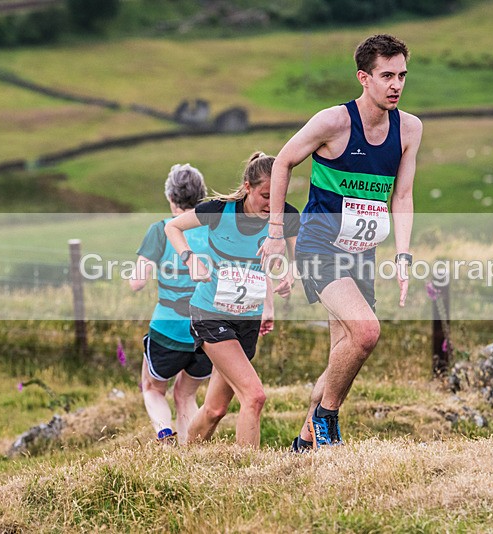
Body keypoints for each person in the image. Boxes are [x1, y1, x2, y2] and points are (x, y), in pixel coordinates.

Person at [259, 34, 423, 451]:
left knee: (343, 353)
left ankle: (303, 442)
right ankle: (327, 420)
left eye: (402, 75)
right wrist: (276, 233)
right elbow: (283, 162)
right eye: (387, 76)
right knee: (366, 333)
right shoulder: (333, 122)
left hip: (361, 251)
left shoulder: (409, 128)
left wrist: (403, 255)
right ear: (364, 78)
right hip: (319, 245)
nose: (396, 85)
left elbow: (402, 195)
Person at [165, 152, 300, 448]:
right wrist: (190, 259)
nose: (272, 204)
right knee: (254, 396)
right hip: (210, 314)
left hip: (247, 320)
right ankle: (249, 468)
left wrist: (289, 276)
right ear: (248, 187)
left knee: (215, 409)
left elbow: (296, 257)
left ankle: (185, 455)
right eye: (266, 196)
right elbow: (172, 227)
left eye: (278, 196)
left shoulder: (286, 217)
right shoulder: (219, 210)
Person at [129, 163, 212, 444]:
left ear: (170, 197)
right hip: (207, 330)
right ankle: (192, 449)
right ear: (202, 195)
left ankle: (165, 435)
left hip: (168, 328)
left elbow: (137, 282)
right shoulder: (212, 229)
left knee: (152, 388)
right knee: (186, 394)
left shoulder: (160, 230)